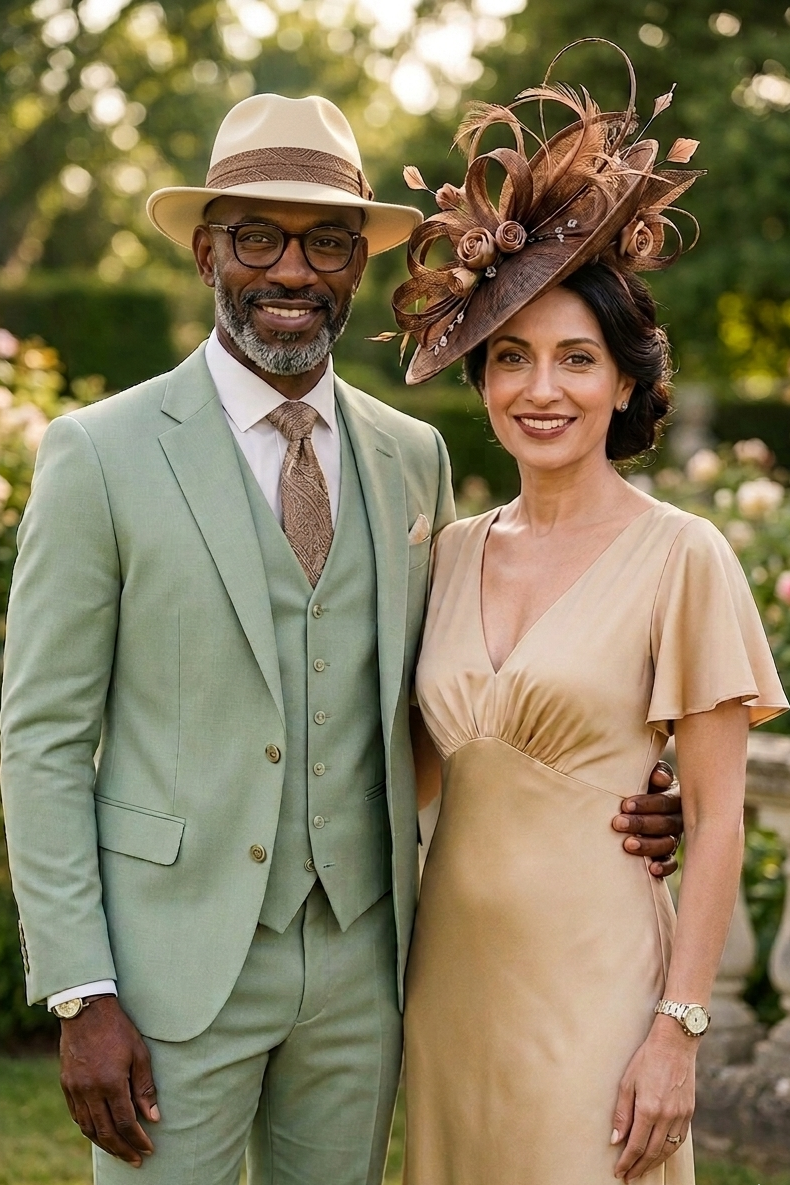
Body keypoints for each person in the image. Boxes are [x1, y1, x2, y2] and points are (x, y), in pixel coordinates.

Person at [1, 92, 682, 1185]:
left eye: (324, 240)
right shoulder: (101, 454)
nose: (289, 271)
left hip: (368, 964)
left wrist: (631, 777)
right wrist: (82, 991)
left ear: (358, 263)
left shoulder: (409, 458)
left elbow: (466, 687)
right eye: (256, 237)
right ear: (204, 251)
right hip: (170, 973)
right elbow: (39, 738)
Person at [394, 46, 789, 1185]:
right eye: (510, 359)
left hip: (602, 989)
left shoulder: (683, 556)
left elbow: (716, 820)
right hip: (451, 988)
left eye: (577, 358)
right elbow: (418, 775)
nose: (541, 388)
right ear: (481, 385)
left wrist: (678, 1031)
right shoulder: (450, 553)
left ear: (625, 384)